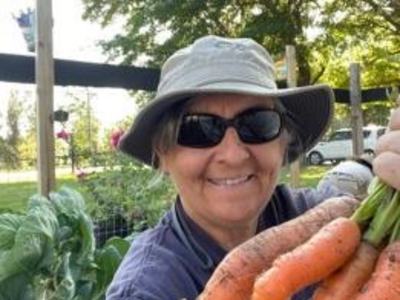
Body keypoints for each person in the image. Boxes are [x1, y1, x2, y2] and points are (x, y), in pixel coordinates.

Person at [106, 35, 400, 300]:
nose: (233, 155)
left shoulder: (321, 215)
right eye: (199, 129)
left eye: (258, 123)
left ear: (283, 144)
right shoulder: (147, 289)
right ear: (163, 155)